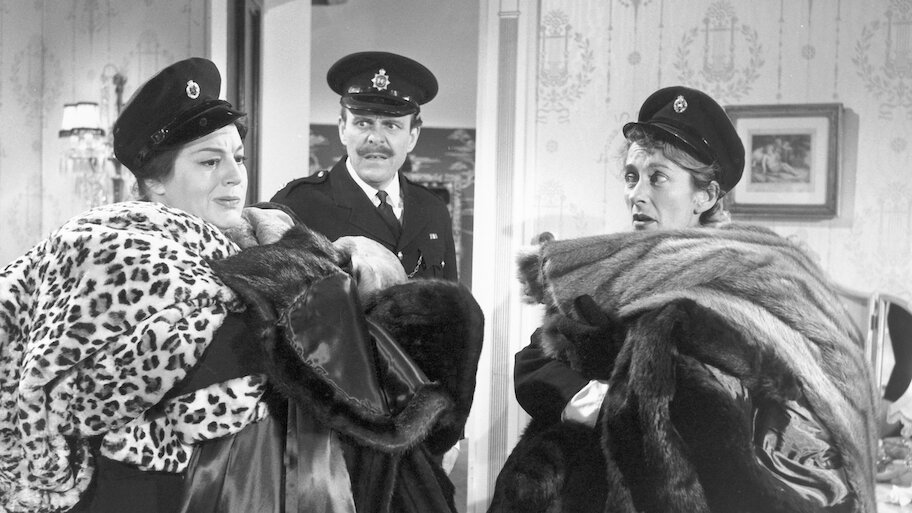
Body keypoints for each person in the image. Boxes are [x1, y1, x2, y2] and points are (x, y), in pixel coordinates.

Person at [0, 57, 482, 513]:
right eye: (210, 162)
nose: (235, 177)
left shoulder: (265, 243)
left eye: (238, 157)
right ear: (157, 180)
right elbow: (101, 392)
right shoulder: (114, 252)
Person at [489, 86, 877, 512]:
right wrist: (593, 401)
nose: (636, 194)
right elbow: (533, 363)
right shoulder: (618, 270)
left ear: (705, 196)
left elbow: (780, 434)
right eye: (632, 176)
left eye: (657, 177)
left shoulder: (752, 283)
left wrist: (626, 409)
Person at [271, 51, 458, 281]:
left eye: (391, 125)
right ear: (343, 129)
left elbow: (450, 300)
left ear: (412, 136)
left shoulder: (432, 209)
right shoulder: (298, 205)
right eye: (363, 123)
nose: (375, 138)